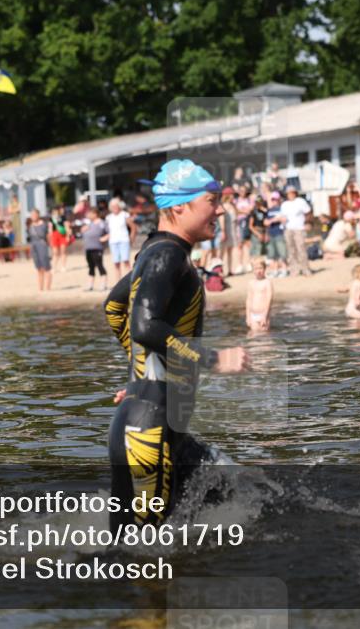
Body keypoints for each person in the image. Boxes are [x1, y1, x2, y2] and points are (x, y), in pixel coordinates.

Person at [104, 158, 248, 529]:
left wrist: (141, 376)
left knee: (229, 490)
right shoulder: (166, 255)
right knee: (136, 556)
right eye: (212, 201)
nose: (220, 210)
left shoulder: (160, 253)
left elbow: (114, 308)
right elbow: (144, 325)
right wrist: (213, 358)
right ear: (179, 206)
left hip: (160, 423)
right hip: (148, 431)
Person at [281, 186, 312, 276]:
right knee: (291, 250)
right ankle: (294, 270)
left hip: (299, 228)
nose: (291, 194)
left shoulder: (300, 202)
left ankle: (305, 269)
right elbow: (283, 216)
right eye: (289, 193)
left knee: (301, 248)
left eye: (292, 192)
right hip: (288, 228)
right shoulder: (284, 204)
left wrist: (308, 223)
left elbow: (308, 213)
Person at [106, 199, 136, 281]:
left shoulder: (124, 215)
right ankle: (118, 282)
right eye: (113, 206)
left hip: (124, 240)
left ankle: (130, 281)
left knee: (126, 261)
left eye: (116, 205)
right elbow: (109, 231)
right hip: (113, 241)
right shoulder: (109, 217)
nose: (114, 207)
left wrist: (131, 239)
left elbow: (133, 227)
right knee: (116, 263)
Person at [81, 207, 109, 291]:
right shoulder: (89, 224)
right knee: (91, 266)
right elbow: (82, 232)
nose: (88, 215)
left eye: (90, 213)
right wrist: (83, 230)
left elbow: (110, 233)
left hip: (97, 248)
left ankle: (103, 284)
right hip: (88, 248)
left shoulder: (102, 223)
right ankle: (90, 285)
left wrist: (104, 238)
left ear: (95, 214)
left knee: (99, 265)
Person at [27, 209, 53, 291]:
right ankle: (40, 288)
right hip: (34, 247)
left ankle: (48, 288)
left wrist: (50, 248)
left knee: (46, 268)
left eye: (34, 214)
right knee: (38, 268)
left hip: (43, 246)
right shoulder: (30, 226)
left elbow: (49, 237)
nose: (33, 216)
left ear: (38, 215)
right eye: (32, 215)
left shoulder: (44, 225)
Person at [264, 191, 288, 277]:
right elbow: (265, 222)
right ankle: (275, 270)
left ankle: (284, 269)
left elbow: (283, 219)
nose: (274, 201)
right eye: (273, 199)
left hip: (279, 233)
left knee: (282, 253)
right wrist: (274, 220)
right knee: (272, 254)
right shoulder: (269, 210)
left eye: (276, 199)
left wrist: (272, 220)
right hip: (271, 234)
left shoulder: (282, 209)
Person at [245, 257, 273, 331]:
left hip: (263, 314)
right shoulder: (251, 283)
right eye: (256, 269)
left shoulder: (267, 283)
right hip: (253, 314)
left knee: (264, 335)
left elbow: (269, 300)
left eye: (260, 268)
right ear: (253, 270)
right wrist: (248, 316)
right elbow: (249, 300)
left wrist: (265, 315)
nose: (258, 271)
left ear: (265, 269)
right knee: (253, 336)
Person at [235, 184, 255, 274]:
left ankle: (248, 263)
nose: (242, 192)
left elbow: (250, 210)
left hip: (247, 223)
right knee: (240, 244)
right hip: (239, 223)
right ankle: (240, 264)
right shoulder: (236, 200)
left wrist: (241, 211)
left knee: (248, 243)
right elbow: (235, 210)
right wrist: (244, 211)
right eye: (241, 190)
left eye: (244, 190)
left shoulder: (249, 200)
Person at [219, 187, 238, 276]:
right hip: (225, 231)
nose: (233, 196)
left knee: (230, 251)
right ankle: (219, 270)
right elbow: (221, 220)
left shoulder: (232, 205)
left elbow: (235, 220)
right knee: (222, 252)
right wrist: (223, 232)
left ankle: (230, 270)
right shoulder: (223, 206)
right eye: (231, 194)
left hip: (232, 231)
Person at [49, 204, 71, 272]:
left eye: (56, 211)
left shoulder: (63, 217)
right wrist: (50, 237)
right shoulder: (51, 218)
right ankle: (54, 267)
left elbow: (67, 227)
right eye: (53, 211)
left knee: (63, 251)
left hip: (62, 235)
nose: (55, 212)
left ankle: (63, 266)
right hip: (54, 235)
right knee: (55, 252)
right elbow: (50, 228)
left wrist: (68, 236)